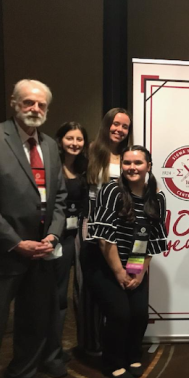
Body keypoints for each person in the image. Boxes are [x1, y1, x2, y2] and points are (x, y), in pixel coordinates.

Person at [0, 79, 67, 378]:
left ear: (48, 110)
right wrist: (17, 243)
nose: (35, 109)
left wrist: (52, 235)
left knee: (34, 322)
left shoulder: (51, 146)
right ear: (14, 102)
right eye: (28, 102)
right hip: (5, 254)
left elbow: (61, 200)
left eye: (41, 105)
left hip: (41, 253)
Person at [84, 145, 167, 378]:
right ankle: (112, 362)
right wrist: (119, 273)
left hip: (135, 262)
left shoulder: (157, 197)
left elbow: (153, 239)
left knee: (139, 313)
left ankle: (132, 354)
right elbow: (103, 240)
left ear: (148, 166)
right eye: (127, 163)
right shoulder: (111, 191)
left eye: (138, 163)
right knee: (120, 313)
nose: (132, 167)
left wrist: (139, 273)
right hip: (102, 262)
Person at [76, 108, 132, 355]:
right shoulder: (90, 152)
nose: (119, 130)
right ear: (107, 124)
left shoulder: (128, 157)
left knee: (115, 283)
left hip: (120, 227)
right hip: (92, 225)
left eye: (125, 127)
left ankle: (115, 340)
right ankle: (90, 344)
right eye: (115, 124)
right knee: (89, 285)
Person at [40, 122, 89, 378]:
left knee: (74, 295)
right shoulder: (52, 168)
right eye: (70, 138)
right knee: (56, 298)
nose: (75, 143)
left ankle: (57, 349)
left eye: (79, 139)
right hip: (56, 239)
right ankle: (50, 355)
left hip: (77, 239)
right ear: (60, 141)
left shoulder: (83, 168)